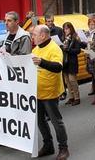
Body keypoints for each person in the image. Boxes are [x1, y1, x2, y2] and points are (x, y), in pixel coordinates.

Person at [31, 24, 69, 160]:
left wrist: (41, 62)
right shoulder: (35, 49)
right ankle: (48, 145)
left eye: (34, 34)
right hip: (37, 91)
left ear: (43, 35)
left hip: (50, 92)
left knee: (56, 121)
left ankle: (63, 148)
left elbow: (58, 67)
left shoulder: (54, 48)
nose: (32, 37)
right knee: (40, 121)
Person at [62, 22, 81, 106]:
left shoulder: (75, 37)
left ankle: (77, 97)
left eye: (67, 28)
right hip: (65, 61)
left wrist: (68, 50)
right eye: (64, 29)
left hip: (72, 61)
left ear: (71, 28)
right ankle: (71, 97)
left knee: (72, 80)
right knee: (67, 81)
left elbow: (78, 50)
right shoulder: (64, 38)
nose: (66, 30)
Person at [86, 17, 95, 105]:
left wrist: (92, 44)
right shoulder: (89, 34)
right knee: (93, 78)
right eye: (90, 24)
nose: (91, 26)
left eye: (93, 24)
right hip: (90, 56)